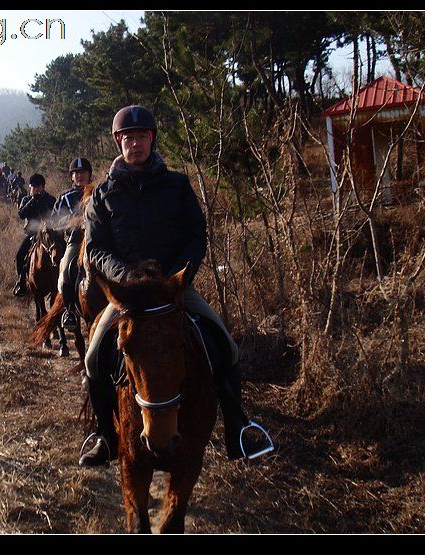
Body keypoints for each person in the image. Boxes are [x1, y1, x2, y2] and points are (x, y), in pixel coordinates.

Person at [79, 105, 273, 467]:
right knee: (93, 358)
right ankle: (106, 437)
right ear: (118, 142)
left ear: (151, 140)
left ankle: (238, 429)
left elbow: (195, 235)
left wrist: (177, 278)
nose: (134, 144)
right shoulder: (102, 194)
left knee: (225, 347)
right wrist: (126, 278)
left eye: (141, 137)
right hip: (127, 297)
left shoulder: (177, 185)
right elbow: (95, 248)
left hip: (173, 291)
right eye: (128, 138)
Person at [52, 157, 93, 331]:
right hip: (76, 241)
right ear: (71, 177)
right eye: (76, 173)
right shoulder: (64, 197)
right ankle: (69, 311)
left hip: (98, 240)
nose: (80, 176)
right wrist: (70, 221)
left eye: (83, 172)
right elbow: (54, 222)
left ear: (89, 174)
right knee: (67, 270)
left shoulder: (98, 192)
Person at [13, 174, 57, 298]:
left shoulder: (50, 199)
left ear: (43, 187)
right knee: (20, 255)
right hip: (32, 234)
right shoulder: (26, 200)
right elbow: (21, 214)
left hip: (48, 233)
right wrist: (33, 200)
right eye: (34, 187)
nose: (37, 189)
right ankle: (21, 281)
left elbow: (54, 215)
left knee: (59, 251)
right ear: (30, 187)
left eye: (39, 187)